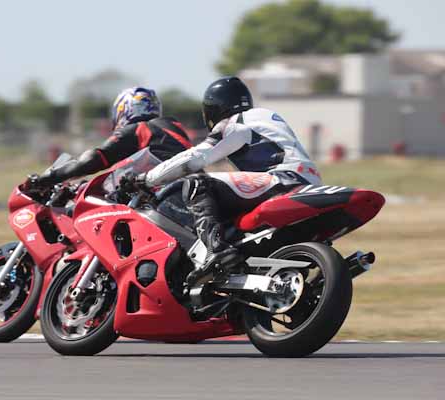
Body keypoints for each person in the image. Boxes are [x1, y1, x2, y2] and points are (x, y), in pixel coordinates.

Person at [137, 77, 323, 284]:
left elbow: (196, 157)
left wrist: (147, 178)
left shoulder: (235, 122)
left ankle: (215, 251)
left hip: (281, 179)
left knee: (197, 184)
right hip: (309, 181)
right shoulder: (267, 117)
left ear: (214, 109)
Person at [30, 87, 192, 188]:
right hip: (184, 190)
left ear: (124, 109)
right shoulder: (172, 127)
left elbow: (96, 158)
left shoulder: (139, 129)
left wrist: (50, 177)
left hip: (164, 196)